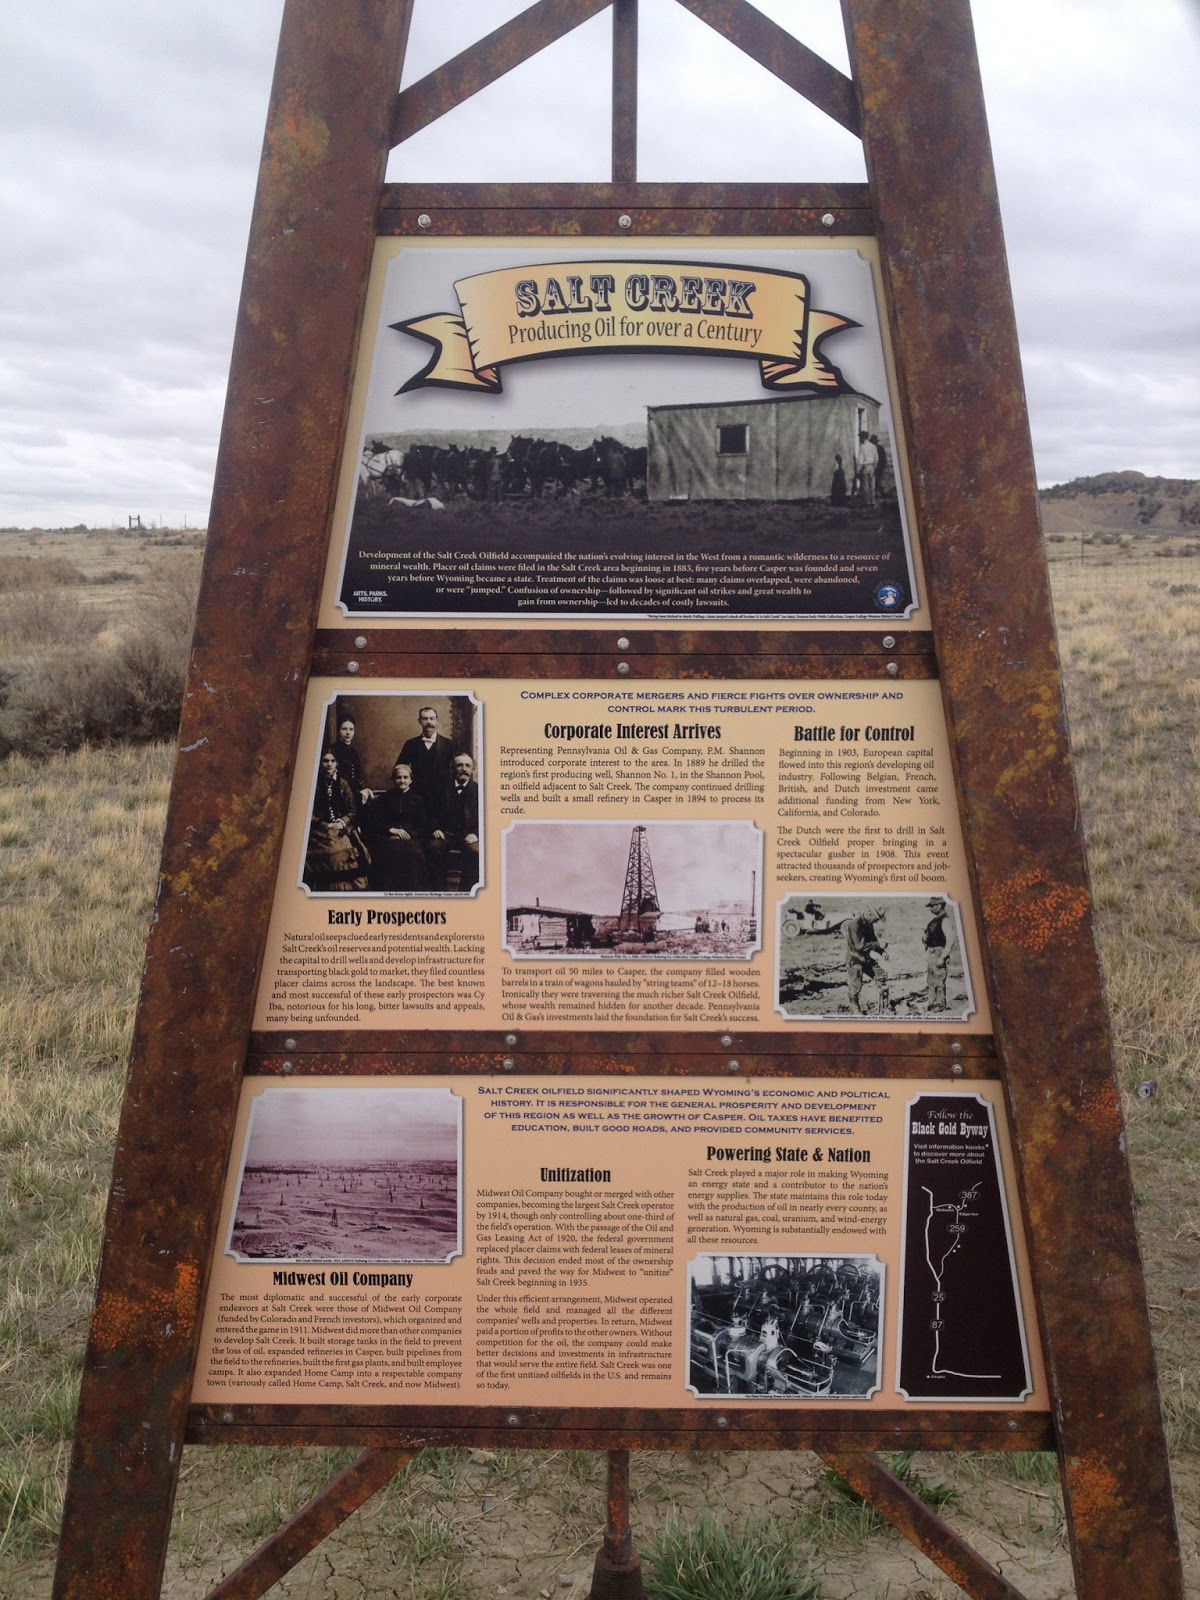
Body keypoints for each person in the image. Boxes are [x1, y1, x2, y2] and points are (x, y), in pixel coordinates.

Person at [303, 748, 369, 891]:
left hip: (341, 827)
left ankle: (352, 888)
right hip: (319, 829)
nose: (329, 764)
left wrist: (342, 821)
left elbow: (352, 810)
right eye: (325, 761)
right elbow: (308, 811)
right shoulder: (313, 784)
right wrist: (325, 825)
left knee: (352, 850)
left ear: (337, 763)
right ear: (320, 763)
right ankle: (333, 889)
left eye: (332, 761)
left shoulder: (343, 784)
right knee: (333, 852)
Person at [367, 764, 430, 892]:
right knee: (388, 855)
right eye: (398, 777)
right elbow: (374, 822)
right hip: (388, 837)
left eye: (405, 777)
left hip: (411, 839)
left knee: (414, 856)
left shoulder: (418, 800)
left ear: (411, 780)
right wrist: (391, 830)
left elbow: (423, 825)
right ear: (393, 779)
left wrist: (409, 833)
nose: (402, 781)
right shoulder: (384, 799)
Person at [429, 751, 480, 891]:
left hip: (468, 835)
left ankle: (466, 892)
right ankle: (439, 892)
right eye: (459, 765)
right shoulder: (440, 789)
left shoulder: (479, 790)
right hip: (446, 834)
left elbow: (486, 817)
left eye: (468, 765)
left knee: (476, 852)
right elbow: (431, 812)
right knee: (433, 848)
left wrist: (476, 833)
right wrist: (435, 828)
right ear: (452, 769)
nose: (464, 769)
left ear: (473, 769)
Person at [397, 706, 458, 811]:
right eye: (425, 719)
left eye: (432, 718)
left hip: (442, 797)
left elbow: (455, 771)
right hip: (416, 797)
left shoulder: (449, 745)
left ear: (437, 721)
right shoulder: (410, 744)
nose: (429, 722)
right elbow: (399, 768)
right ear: (419, 721)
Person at [844, 905, 887, 1014]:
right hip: (855, 959)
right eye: (876, 919)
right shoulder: (854, 925)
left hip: (866, 959)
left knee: (880, 975)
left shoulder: (869, 924)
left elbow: (873, 940)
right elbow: (860, 945)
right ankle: (855, 1008)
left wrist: (882, 952)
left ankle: (884, 1005)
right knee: (855, 986)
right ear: (870, 914)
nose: (876, 922)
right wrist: (878, 944)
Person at [331, 714, 373, 809]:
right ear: (338, 731)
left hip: (354, 792)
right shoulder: (333, 750)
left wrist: (364, 788)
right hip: (340, 793)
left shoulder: (354, 752)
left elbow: (357, 775)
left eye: (351, 729)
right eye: (344, 729)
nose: (348, 733)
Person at [923, 896, 954, 1011]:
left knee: (939, 979)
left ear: (939, 905)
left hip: (939, 952)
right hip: (932, 952)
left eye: (932, 906)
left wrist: (943, 956)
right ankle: (932, 1003)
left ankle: (940, 1004)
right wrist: (926, 940)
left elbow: (951, 939)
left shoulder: (945, 920)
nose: (930, 908)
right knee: (931, 979)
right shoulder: (936, 920)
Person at [856, 430, 879, 508]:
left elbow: (860, 460)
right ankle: (872, 501)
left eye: (860, 437)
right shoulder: (873, 446)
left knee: (865, 485)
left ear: (863, 438)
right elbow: (876, 458)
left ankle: (866, 502)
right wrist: (875, 467)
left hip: (865, 467)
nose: (860, 439)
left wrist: (858, 470)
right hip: (872, 466)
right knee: (872, 485)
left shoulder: (862, 447)